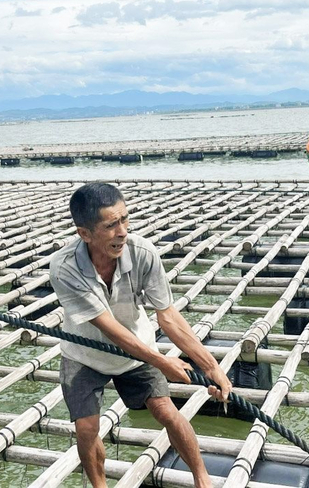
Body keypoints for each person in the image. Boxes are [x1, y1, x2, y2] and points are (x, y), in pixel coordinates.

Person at [49, 183, 232, 488]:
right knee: (86, 427)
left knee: (167, 412)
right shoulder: (64, 267)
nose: (122, 231)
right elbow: (108, 327)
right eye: (111, 225)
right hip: (84, 353)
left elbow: (169, 316)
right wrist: (163, 362)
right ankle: (100, 485)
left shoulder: (143, 252)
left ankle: (202, 479)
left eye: (124, 220)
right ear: (85, 234)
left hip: (138, 347)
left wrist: (211, 367)